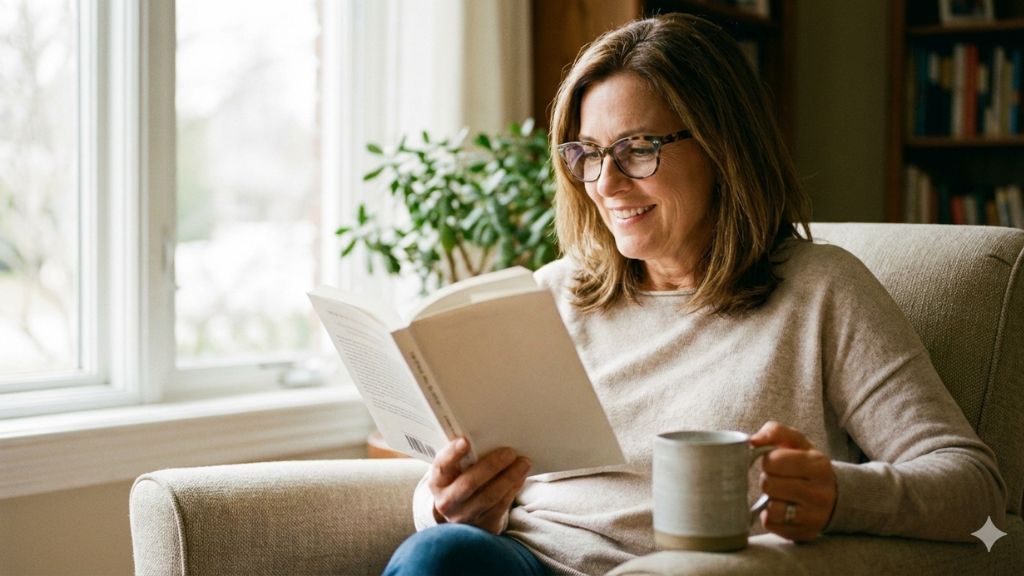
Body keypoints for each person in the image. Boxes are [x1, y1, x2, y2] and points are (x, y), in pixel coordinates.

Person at [383, 13, 1006, 576]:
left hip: (687, 570)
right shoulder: (550, 294)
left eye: (638, 149)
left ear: (721, 147)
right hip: (519, 560)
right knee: (439, 552)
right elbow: (446, 483)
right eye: (589, 153)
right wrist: (445, 505)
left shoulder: (821, 291)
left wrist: (839, 494)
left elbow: (974, 485)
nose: (607, 183)